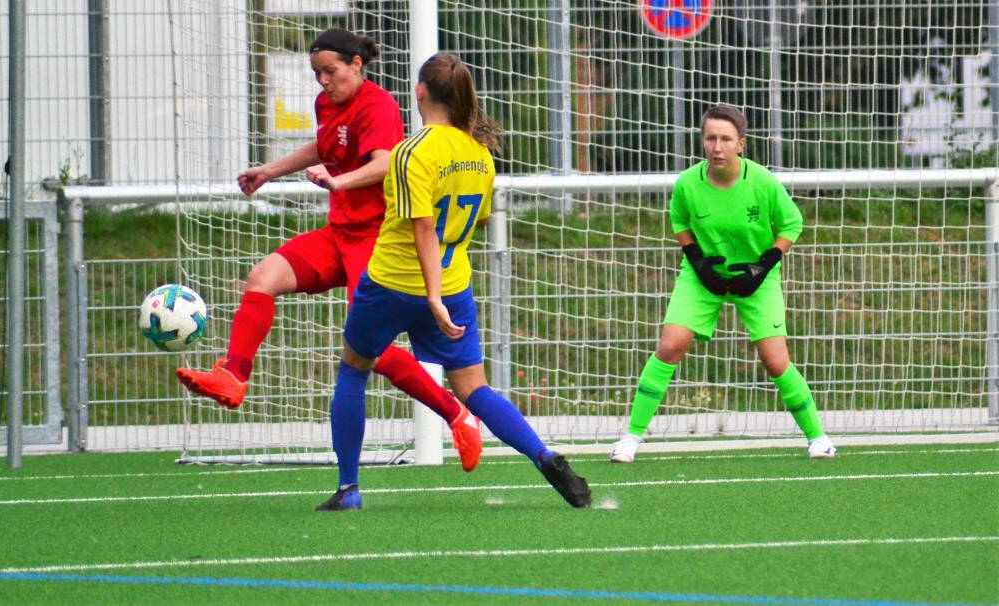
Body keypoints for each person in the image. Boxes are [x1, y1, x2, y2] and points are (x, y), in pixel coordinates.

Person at [176, 29, 482, 472]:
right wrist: (270, 170)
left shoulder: (378, 106)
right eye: (316, 72)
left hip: (376, 240)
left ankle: (457, 414)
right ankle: (233, 376)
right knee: (263, 278)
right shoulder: (327, 103)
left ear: (357, 64)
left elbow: (384, 163)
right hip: (339, 234)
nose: (323, 80)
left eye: (330, 71)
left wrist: (338, 182)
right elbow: (324, 146)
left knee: (370, 351)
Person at [316, 52, 591, 511]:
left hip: (394, 282)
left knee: (354, 368)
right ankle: (543, 455)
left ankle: (348, 489)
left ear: (420, 92)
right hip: (454, 281)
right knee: (474, 388)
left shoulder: (412, 151)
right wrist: (442, 292)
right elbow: (477, 220)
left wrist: (431, 296)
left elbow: (423, 226)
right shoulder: (480, 153)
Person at [610, 104, 836, 463]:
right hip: (702, 277)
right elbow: (679, 222)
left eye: (726, 139)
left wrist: (764, 265)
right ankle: (630, 438)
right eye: (710, 138)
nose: (717, 147)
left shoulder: (762, 182)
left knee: (775, 360)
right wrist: (698, 262)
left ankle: (818, 438)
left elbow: (792, 224)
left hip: (757, 278)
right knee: (670, 345)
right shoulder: (688, 183)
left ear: (741, 144)